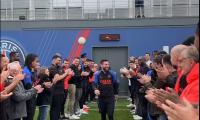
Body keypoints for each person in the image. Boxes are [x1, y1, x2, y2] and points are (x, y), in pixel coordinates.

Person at [49, 54, 70, 120]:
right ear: (54, 60)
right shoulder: (52, 68)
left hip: (61, 91)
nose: (60, 61)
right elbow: (57, 78)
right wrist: (66, 73)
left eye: (60, 60)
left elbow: (63, 76)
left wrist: (68, 74)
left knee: (58, 109)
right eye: (59, 60)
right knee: (54, 109)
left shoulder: (59, 68)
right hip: (55, 92)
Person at [23, 53, 40, 120]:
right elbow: (29, 87)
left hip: (31, 96)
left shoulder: (31, 70)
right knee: (29, 116)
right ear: (31, 62)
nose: (38, 63)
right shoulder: (26, 71)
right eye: (36, 61)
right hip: (28, 99)